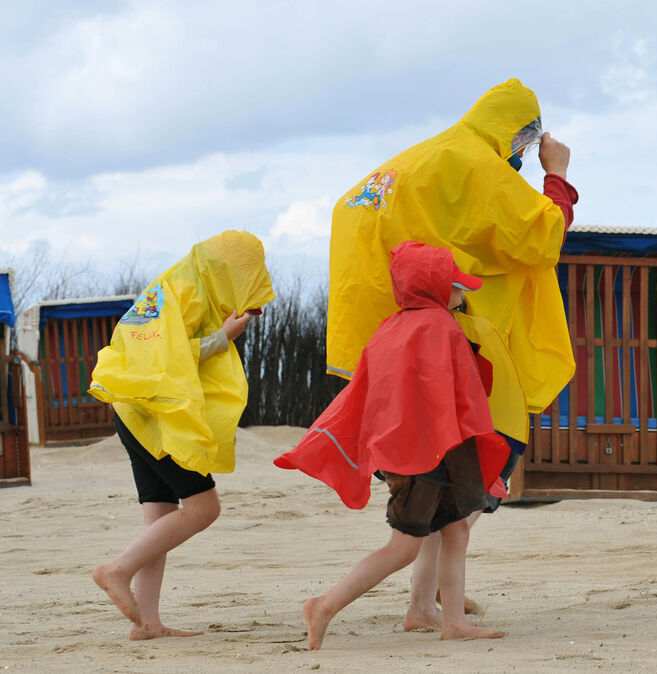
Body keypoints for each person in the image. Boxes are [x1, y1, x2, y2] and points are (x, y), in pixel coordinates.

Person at [325, 77, 578, 630]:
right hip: (457, 356)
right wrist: (556, 173)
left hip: (392, 347)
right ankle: (422, 600)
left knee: (442, 497)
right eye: (524, 142)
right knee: (468, 486)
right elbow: (545, 237)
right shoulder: (475, 163)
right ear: (518, 134)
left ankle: (425, 602)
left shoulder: (415, 160)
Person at [275, 241, 511, 650]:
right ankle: (324, 605)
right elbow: (460, 396)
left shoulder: (392, 328)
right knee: (404, 547)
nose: (462, 292)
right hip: (427, 455)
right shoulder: (440, 327)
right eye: (455, 285)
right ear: (436, 288)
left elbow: (373, 393)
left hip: (416, 452)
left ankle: (454, 622)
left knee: (456, 530)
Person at [88, 230, 275, 640]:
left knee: (160, 518)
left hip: (135, 410)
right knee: (204, 508)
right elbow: (166, 359)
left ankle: (146, 624)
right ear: (226, 269)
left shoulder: (173, 285)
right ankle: (116, 569)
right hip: (156, 415)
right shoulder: (187, 291)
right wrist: (224, 337)